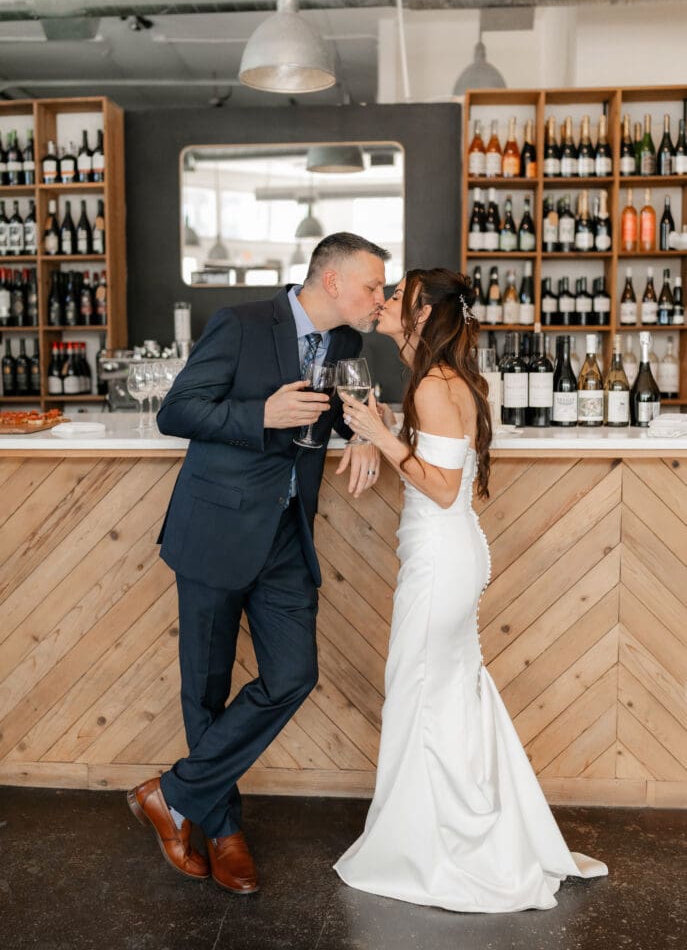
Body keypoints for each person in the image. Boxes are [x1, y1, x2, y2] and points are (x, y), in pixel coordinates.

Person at [334, 268, 608, 912]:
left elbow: (442, 487)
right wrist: (384, 430)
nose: (385, 301)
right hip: (448, 553)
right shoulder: (442, 379)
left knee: (420, 689)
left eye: (397, 295)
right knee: (445, 692)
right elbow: (440, 464)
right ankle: (459, 828)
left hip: (441, 558)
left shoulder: (434, 384)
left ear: (423, 313)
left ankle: (438, 849)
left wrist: (379, 436)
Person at [127, 232, 389, 894]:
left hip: (286, 537)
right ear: (332, 281)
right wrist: (260, 414)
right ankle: (222, 830)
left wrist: (366, 434)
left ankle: (172, 795)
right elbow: (176, 412)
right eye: (372, 286)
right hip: (215, 530)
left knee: (293, 675)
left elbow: (343, 412)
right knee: (205, 689)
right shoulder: (239, 323)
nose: (379, 298)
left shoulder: (346, 343)